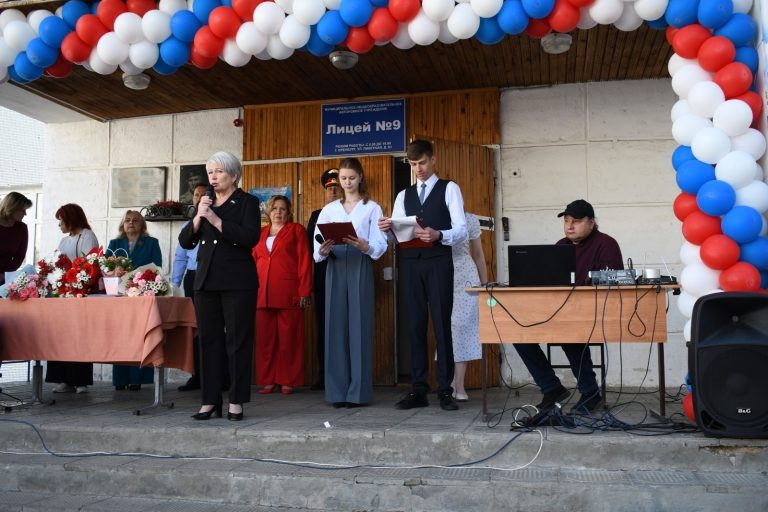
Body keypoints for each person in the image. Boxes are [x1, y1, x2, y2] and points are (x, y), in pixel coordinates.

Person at [378, 139, 467, 411]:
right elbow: (397, 234)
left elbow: (461, 229)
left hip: (439, 262)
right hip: (412, 263)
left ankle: (445, 390)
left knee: (441, 325)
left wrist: (439, 234)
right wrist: (387, 230)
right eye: (413, 164)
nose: (418, 168)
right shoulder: (403, 196)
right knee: (415, 326)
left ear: (433, 160)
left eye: (423, 162)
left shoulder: (449, 188)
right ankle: (418, 389)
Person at [514, 199, 623, 416]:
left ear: (591, 222)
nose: (569, 226)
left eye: (576, 221)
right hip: (560, 312)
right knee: (519, 333)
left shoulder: (606, 243)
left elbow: (615, 281)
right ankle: (552, 388)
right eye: (566, 221)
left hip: (594, 314)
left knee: (569, 334)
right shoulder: (561, 246)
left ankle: (590, 393)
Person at [180, 151, 261, 421]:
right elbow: (185, 241)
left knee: (237, 342)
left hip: (237, 281)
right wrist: (198, 218)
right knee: (209, 341)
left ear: (233, 175)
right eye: (210, 172)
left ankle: (236, 401)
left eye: (219, 172)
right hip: (206, 281)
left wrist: (215, 220)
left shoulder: (247, 202)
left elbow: (250, 237)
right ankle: (210, 401)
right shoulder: (205, 202)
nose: (213, 177)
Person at [314, 158, 387, 408]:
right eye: (343, 178)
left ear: (360, 177)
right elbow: (317, 247)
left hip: (359, 263)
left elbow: (380, 244)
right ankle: (337, 392)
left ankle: (358, 393)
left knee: (359, 327)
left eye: (351, 178)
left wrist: (366, 246)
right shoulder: (329, 209)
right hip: (335, 265)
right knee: (334, 327)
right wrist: (322, 250)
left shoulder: (372, 208)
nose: (347, 182)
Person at [173, 183, 230, 392]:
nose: (199, 198)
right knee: (196, 328)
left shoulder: (219, 222)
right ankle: (197, 376)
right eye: (196, 195)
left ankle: (223, 377)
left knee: (218, 328)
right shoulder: (188, 226)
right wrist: (175, 285)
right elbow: (180, 257)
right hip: (193, 277)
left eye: (204, 195)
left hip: (216, 276)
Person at [253, 195, 312, 395]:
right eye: (274, 208)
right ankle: (268, 380)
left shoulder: (296, 230)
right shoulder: (260, 233)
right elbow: (252, 262)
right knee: (265, 340)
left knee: (289, 340)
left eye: (282, 209)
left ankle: (288, 380)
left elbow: (305, 260)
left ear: (289, 213)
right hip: (262, 293)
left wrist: (304, 291)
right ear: (268, 212)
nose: (278, 212)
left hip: (289, 292)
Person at [45, 203, 100, 394]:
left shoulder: (87, 236)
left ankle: (80, 381)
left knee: (79, 336)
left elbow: (90, 264)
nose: (59, 224)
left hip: (81, 293)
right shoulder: (64, 241)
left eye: (61, 220)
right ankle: (63, 379)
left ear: (70, 219)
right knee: (61, 335)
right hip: (63, 293)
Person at [108, 210, 162, 391]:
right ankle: (120, 379)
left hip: (141, 295)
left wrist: (138, 276)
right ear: (122, 224)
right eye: (127, 220)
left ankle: (137, 379)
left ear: (142, 225)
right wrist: (114, 271)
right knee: (120, 336)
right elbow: (104, 266)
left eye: (135, 220)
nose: (131, 223)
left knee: (139, 336)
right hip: (119, 296)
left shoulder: (151, 243)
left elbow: (157, 268)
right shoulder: (115, 243)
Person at [305, 168, 342, 391]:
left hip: (347, 271)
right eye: (330, 189)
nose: (334, 192)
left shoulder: (351, 211)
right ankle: (324, 374)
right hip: (324, 274)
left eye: (337, 187)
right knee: (324, 325)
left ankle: (345, 373)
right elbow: (310, 247)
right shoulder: (316, 215)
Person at [450, 212, 488, 402]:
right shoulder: (435, 215)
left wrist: (485, 284)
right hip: (442, 273)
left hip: (466, 275)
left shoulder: (470, 219)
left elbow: (478, 254)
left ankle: (458, 382)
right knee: (447, 327)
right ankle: (450, 382)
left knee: (462, 326)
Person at [0, 192, 33, 286]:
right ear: (13, 208)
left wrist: (4, 275)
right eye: (23, 210)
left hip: (5, 280)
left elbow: (19, 257)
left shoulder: (22, 228)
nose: (25, 214)